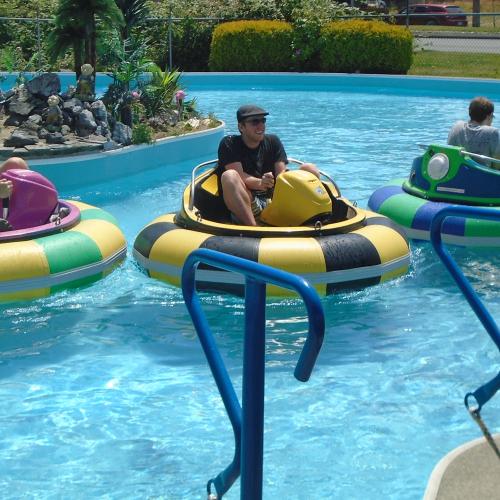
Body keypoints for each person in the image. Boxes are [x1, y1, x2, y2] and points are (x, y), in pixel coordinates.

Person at [218, 104, 319, 226]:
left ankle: (315, 218)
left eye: (263, 120)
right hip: (249, 202)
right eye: (255, 122)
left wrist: (278, 185)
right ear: (241, 127)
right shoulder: (229, 143)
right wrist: (261, 183)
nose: (261, 126)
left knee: (309, 168)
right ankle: (253, 229)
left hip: (275, 201)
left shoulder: (273, 141)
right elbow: (238, 175)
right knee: (229, 176)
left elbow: (282, 176)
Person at [448, 96, 500, 168]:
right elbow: (497, 166)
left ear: (470, 112)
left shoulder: (456, 126)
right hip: (481, 176)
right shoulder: (492, 132)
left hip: (456, 172)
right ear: (489, 116)